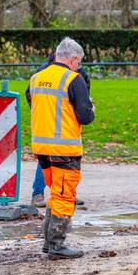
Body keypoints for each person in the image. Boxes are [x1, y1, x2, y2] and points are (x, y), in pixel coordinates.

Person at [26, 37, 95, 259]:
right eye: (79, 62)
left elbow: (34, 102)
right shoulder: (73, 80)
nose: (79, 66)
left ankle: (48, 243)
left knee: (56, 193)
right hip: (64, 148)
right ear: (73, 59)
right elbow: (85, 116)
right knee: (65, 196)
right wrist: (91, 108)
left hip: (41, 147)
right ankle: (56, 245)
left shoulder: (36, 78)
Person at [30, 51, 91, 208]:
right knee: (65, 164)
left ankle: (63, 194)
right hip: (61, 131)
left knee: (51, 162)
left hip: (51, 130)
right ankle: (44, 194)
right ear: (72, 59)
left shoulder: (40, 74)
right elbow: (84, 108)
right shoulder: (73, 75)